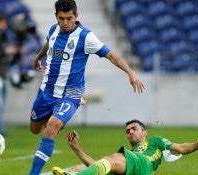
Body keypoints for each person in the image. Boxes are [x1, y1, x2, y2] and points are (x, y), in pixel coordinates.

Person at [29, 0, 145, 174]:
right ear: (56, 17)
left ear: (76, 16)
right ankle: (58, 117)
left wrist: (131, 72)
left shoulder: (86, 37)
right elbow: (48, 44)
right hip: (47, 91)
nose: (66, 23)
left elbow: (112, 56)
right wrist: (38, 57)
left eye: (69, 18)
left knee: (51, 128)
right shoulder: (53, 29)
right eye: (62, 19)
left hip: (71, 93)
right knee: (35, 129)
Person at [52, 119, 198, 175]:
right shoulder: (129, 155)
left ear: (144, 132)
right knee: (79, 168)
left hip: (144, 166)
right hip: (132, 167)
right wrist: (76, 148)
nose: (130, 132)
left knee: (113, 159)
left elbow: (181, 148)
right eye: (127, 130)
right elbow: (98, 166)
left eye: (134, 128)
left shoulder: (155, 142)